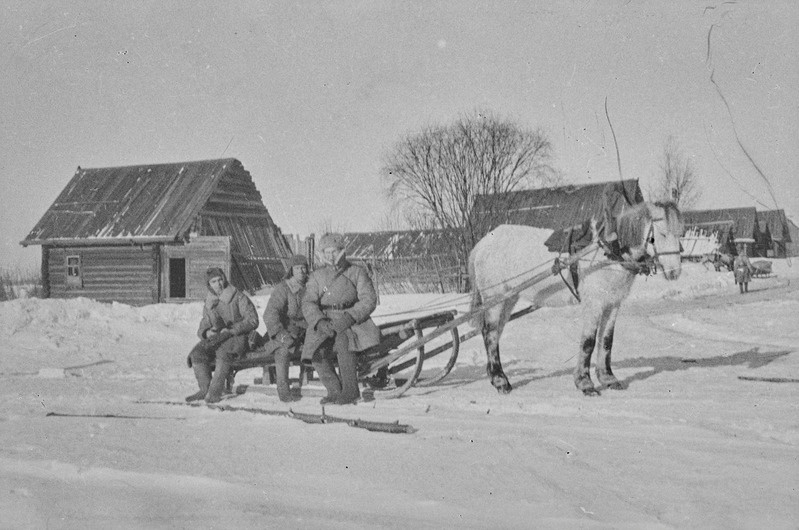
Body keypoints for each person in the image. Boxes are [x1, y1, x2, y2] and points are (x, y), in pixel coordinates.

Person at [301, 233, 380, 405]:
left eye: (334, 251)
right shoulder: (317, 276)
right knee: (316, 351)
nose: (330, 256)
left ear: (341, 251)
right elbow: (308, 302)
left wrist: (351, 316)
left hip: (352, 321)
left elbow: (369, 299)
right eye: (326, 252)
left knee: (345, 342)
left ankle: (351, 391)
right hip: (326, 319)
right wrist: (320, 321)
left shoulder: (356, 272)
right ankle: (334, 391)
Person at [186, 267, 259, 403]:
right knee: (197, 353)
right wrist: (206, 332)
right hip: (218, 337)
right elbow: (205, 322)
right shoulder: (209, 301)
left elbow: (253, 319)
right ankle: (204, 389)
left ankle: (214, 392)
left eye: (220, 279)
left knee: (223, 352)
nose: (218, 284)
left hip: (238, 336)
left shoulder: (237, 296)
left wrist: (232, 330)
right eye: (213, 281)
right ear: (209, 284)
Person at [262, 254, 309, 402]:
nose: (301, 271)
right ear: (291, 270)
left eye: (303, 267)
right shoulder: (284, 288)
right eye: (297, 268)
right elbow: (270, 314)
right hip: (285, 331)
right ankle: (283, 389)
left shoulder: (312, 286)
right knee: (283, 350)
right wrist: (281, 334)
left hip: (307, 331)